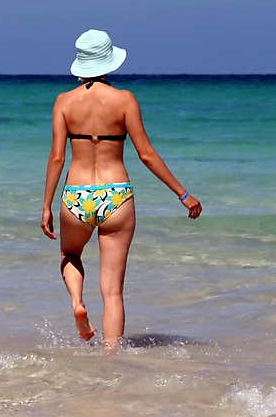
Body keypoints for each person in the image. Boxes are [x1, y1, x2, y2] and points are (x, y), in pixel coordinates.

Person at [40, 29, 202, 351]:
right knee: (112, 290)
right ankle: (112, 361)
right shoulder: (124, 100)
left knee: (70, 254)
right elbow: (146, 154)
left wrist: (46, 205)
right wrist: (183, 194)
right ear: (108, 62)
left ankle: (76, 302)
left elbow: (58, 157)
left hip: (76, 195)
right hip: (116, 196)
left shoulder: (64, 102)